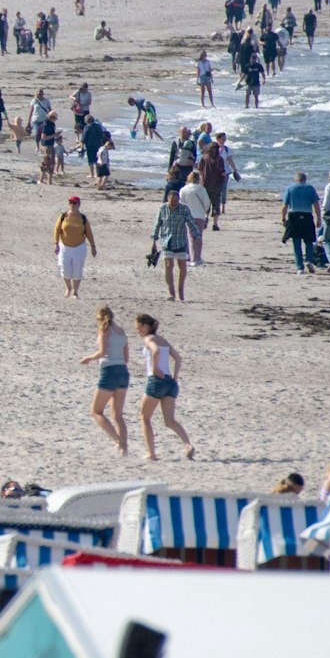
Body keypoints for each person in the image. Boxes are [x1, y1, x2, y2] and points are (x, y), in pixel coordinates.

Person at [135, 314, 194, 461]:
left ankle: (152, 453)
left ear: (145, 326)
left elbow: (155, 351)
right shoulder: (164, 340)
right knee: (170, 421)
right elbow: (178, 358)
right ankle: (187, 444)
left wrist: (155, 370)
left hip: (156, 381)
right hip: (170, 383)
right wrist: (174, 376)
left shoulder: (149, 339)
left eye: (138, 327)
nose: (137, 330)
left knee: (144, 417)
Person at [77, 306, 130, 456]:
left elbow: (102, 352)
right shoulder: (122, 332)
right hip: (123, 372)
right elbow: (126, 358)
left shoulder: (105, 330)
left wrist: (88, 358)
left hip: (109, 371)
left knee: (96, 411)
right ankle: (123, 449)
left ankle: (117, 440)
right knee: (118, 415)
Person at [151, 188, 193, 302]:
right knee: (169, 266)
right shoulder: (163, 209)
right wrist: (154, 241)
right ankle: (171, 292)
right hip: (166, 241)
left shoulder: (184, 209)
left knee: (183, 269)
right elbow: (157, 224)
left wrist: (196, 235)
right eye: (171, 201)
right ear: (167, 199)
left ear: (179, 200)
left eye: (176, 201)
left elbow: (191, 222)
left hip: (181, 242)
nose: (174, 203)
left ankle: (181, 290)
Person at [54, 196, 96, 298]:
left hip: (79, 247)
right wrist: (56, 244)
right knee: (64, 268)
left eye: (74, 203)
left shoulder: (83, 218)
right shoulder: (63, 216)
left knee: (77, 269)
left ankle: (75, 291)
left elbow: (89, 233)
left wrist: (93, 246)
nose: (72, 205)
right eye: (70, 202)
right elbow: (57, 230)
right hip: (64, 247)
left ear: (79, 204)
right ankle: (68, 288)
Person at [281, 171, 322, 274]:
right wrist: (319, 218)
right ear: (305, 179)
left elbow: (284, 206)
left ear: (296, 179)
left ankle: (300, 267)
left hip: (294, 216)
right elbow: (316, 205)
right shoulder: (310, 188)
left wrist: (283, 218)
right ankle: (309, 260)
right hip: (307, 216)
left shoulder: (290, 188)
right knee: (309, 240)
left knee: (296, 242)